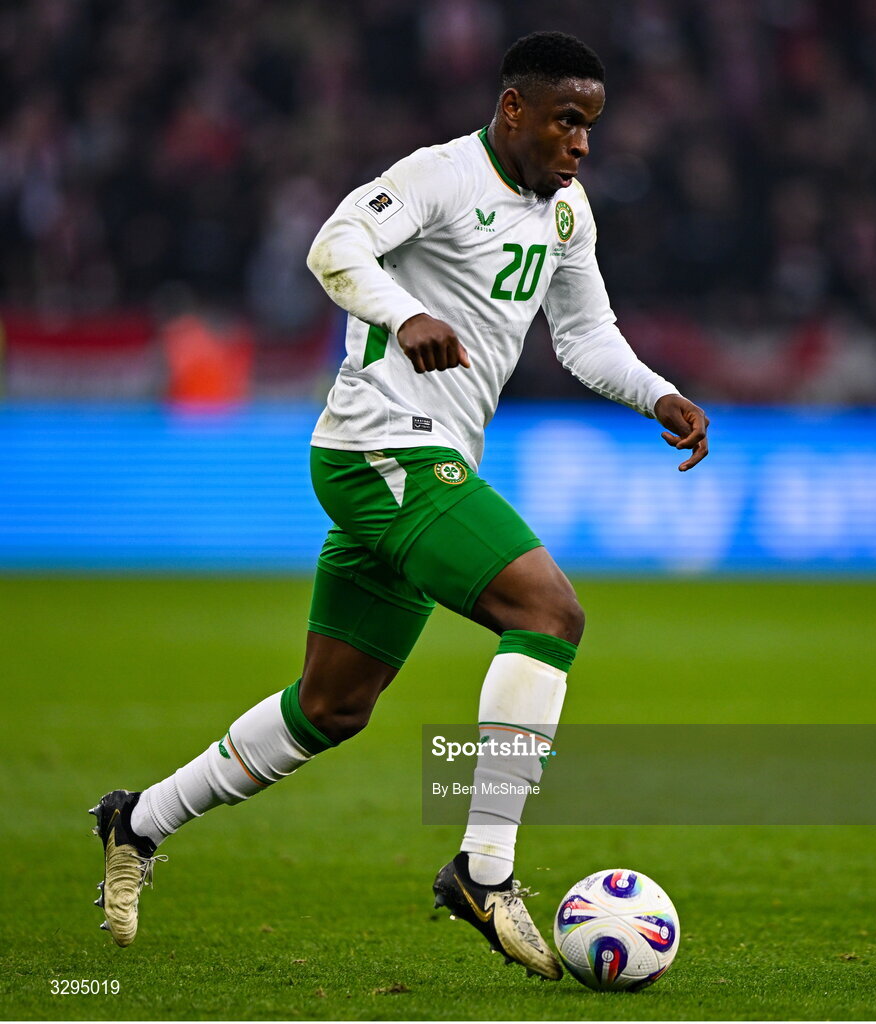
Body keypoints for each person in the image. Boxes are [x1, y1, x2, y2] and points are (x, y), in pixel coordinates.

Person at [90, 31, 709, 980]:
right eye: (566, 121)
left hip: (423, 462)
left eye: (589, 125)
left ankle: (136, 820)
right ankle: (483, 869)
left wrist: (656, 392)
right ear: (514, 110)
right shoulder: (437, 176)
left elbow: (586, 337)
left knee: (331, 708)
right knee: (548, 613)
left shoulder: (565, 216)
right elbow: (333, 245)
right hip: (380, 446)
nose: (581, 143)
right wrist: (401, 313)